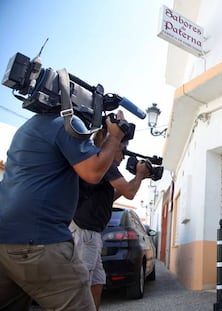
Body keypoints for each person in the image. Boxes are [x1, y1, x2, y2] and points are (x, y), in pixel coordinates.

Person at [0, 110, 128, 311]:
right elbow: (94, 172)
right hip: (39, 240)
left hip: (5, 240)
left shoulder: (28, 128)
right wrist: (115, 136)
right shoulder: (67, 123)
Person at [69, 127, 151, 310]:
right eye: (123, 151)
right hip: (84, 232)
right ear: (112, 147)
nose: (123, 157)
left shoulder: (104, 166)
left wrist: (137, 179)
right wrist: (139, 175)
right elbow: (130, 193)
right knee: (80, 285)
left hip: (92, 233)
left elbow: (114, 196)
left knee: (97, 283)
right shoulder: (104, 162)